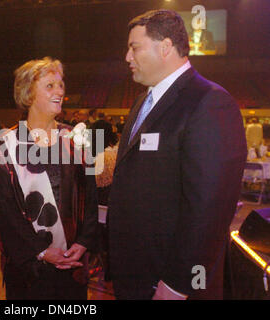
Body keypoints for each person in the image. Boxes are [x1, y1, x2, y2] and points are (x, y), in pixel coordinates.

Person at [107, 10, 247, 300]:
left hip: (173, 282)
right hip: (137, 273)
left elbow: (210, 209)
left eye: (134, 47)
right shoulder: (142, 102)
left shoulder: (209, 102)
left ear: (165, 47)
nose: (127, 58)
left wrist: (179, 283)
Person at [0, 57, 99, 300]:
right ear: (28, 94)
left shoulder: (77, 139)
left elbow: (90, 198)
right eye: (50, 86)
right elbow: (5, 215)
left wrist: (83, 242)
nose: (59, 91)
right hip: (31, 269)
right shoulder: (6, 146)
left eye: (61, 85)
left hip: (73, 262)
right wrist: (41, 251)